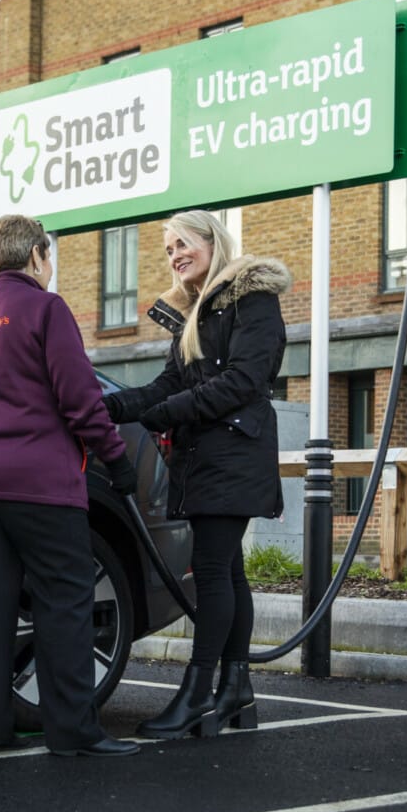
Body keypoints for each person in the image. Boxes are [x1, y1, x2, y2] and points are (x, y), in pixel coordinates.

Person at [0, 214, 140, 759]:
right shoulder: (46, 309)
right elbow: (80, 398)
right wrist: (116, 459)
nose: (49, 268)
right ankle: (74, 733)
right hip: (37, 484)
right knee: (65, 598)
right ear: (35, 256)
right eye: (48, 258)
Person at [103, 210, 290, 740]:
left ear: (213, 241)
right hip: (206, 458)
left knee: (210, 572)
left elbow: (242, 381)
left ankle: (196, 694)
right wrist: (106, 406)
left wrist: (162, 415)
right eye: (168, 250)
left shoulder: (253, 299)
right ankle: (235, 690)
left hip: (234, 455)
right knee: (228, 572)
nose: (175, 255)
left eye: (183, 243)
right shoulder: (195, 315)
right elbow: (165, 385)